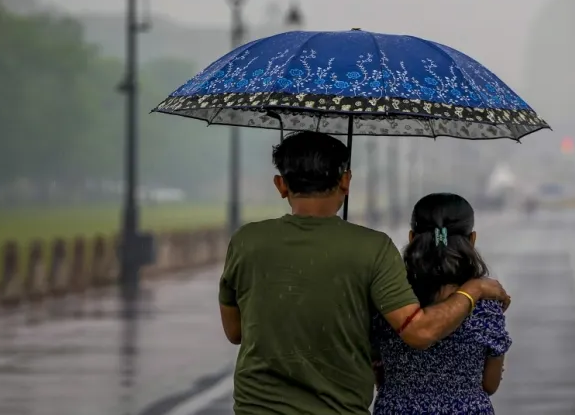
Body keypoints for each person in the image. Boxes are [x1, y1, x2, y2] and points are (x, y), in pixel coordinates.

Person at [217, 131, 510, 415]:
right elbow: (419, 332)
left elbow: (235, 331)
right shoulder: (372, 248)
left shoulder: (245, 241)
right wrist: (475, 289)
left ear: (281, 185)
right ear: (346, 181)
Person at [371, 193, 511, 415]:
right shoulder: (486, 307)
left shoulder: (392, 300)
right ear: (472, 239)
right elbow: (490, 384)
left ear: (411, 238)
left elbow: (378, 372)